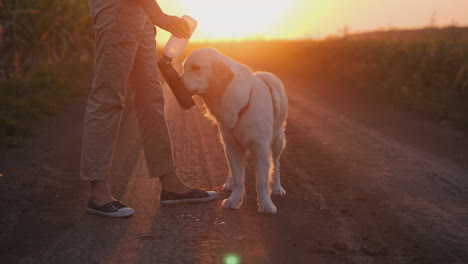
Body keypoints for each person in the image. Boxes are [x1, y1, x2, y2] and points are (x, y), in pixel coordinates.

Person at [81, 0, 218, 217]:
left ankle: (171, 184)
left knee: (151, 99)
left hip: (140, 13)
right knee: (108, 98)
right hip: (117, 10)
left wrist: (151, 13)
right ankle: (98, 193)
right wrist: (159, 15)